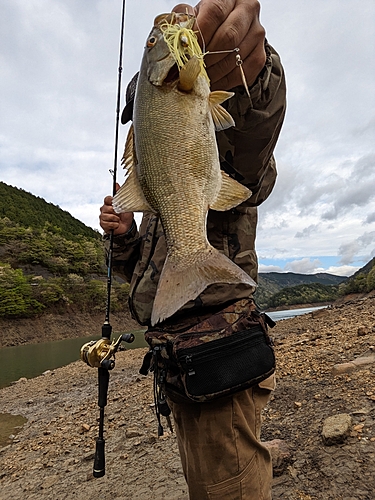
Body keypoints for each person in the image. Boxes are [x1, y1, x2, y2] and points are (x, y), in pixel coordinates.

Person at [99, 1, 286, 498]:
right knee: (209, 481)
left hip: (217, 346)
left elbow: (255, 131)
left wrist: (259, 69)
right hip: (176, 354)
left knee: (227, 488)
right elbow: (141, 272)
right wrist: (125, 240)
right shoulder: (161, 186)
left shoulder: (224, 144)